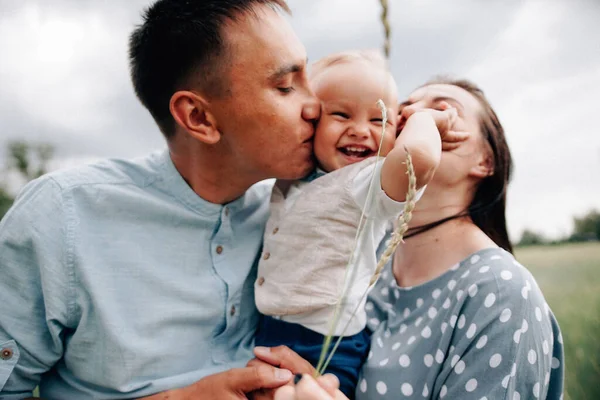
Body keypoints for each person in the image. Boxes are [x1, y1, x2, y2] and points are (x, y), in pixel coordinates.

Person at [0, 0, 322, 399]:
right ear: (199, 117)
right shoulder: (62, 216)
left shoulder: (294, 213)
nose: (316, 106)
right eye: (286, 86)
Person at [253, 78, 565, 400]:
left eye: (442, 110)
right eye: (403, 110)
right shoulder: (365, 257)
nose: (414, 115)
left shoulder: (502, 290)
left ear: (486, 161)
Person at [253, 50, 461, 398]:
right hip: (270, 329)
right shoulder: (298, 176)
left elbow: (418, 159)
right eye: (340, 114)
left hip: (325, 344)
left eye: (380, 121)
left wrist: (424, 121)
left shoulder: (367, 183)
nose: (361, 131)